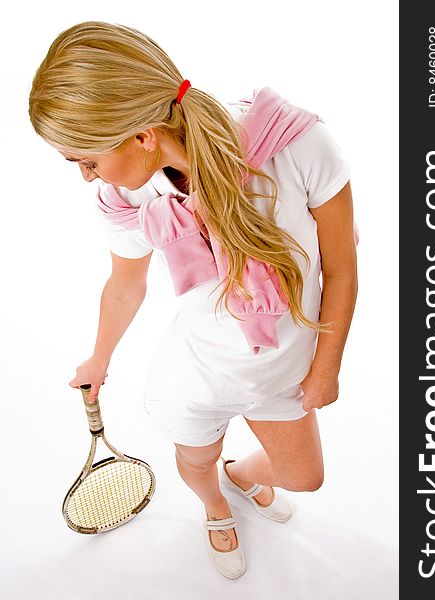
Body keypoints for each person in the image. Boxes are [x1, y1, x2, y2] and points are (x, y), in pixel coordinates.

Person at [29, 21, 358, 579]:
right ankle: (215, 504)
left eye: (86, 160)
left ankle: (241, 474)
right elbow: (124, 284)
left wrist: (327, 368)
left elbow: (342, 267)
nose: (87, 178)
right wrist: (99, 357)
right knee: (196, 461)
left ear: (141, 134)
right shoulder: (127, 195)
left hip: (283, 373)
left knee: (304, 477)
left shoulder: (294, 141)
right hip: (195, 373)